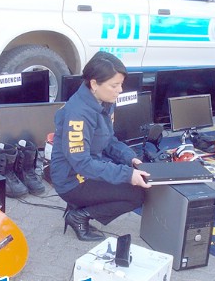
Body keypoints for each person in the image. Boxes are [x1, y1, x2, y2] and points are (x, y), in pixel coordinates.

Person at [51, 51, 151, 242]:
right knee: (136, 195)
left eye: (121, 84)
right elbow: (81, 163)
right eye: (114, 85)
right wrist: (127, 174)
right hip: (72, 180)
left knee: (138, 181)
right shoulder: (78, 114)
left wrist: (130, 158)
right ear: (94, 83)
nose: (120, 90)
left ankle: (80, 207)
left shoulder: (103, 101)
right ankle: (79, 216)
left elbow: (109, 140)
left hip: (90, 167)